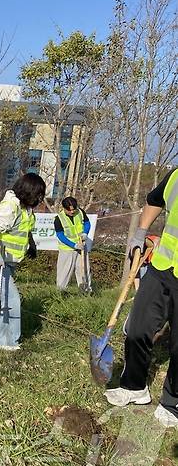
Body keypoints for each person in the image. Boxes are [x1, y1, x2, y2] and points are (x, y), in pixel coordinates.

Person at [104, 168, 178, 427]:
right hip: (161, 268)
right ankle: (134, 387)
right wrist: (140, 233)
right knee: (137, 328)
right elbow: (154, 200)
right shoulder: (176, 176)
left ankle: (173, 402)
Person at [0, 173, 46, 351]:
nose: (39, 199)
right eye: (38, 194)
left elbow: (25, 229)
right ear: (28, 191)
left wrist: (31, 245)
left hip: (10, 261)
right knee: (10, 298)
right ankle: (6, 340)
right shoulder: (10, 207)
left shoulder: (25, 209)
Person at [54, 197, 92, 291]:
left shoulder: (80, 212)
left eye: (74, 209)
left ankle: (86, 291)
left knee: (84, 270)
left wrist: (85, 233)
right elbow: (60, 235)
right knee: (64, 272)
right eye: (69, 210)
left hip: (82, 246)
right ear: (64, 208)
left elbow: (87, 223)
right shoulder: (59, 219)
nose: (72, 212)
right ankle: (60, 292)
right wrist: (73, 245)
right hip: (67, 249)